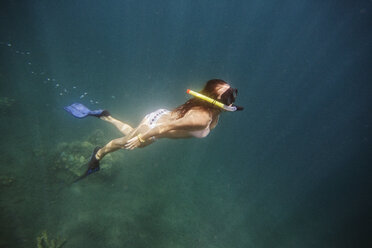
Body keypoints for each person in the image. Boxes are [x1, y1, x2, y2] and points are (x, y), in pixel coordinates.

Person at [68, 79, 242, 181]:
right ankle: (97, 155)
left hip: (160, 119)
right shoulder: (201, 118)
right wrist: (142, 139)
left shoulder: (213, 112)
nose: (231, 100)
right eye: (227, 96)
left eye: (232, 94)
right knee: (126, 142)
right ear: (213, 98)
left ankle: (106, 116)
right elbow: (164, 127)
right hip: (155, 125)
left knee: (130, 134)